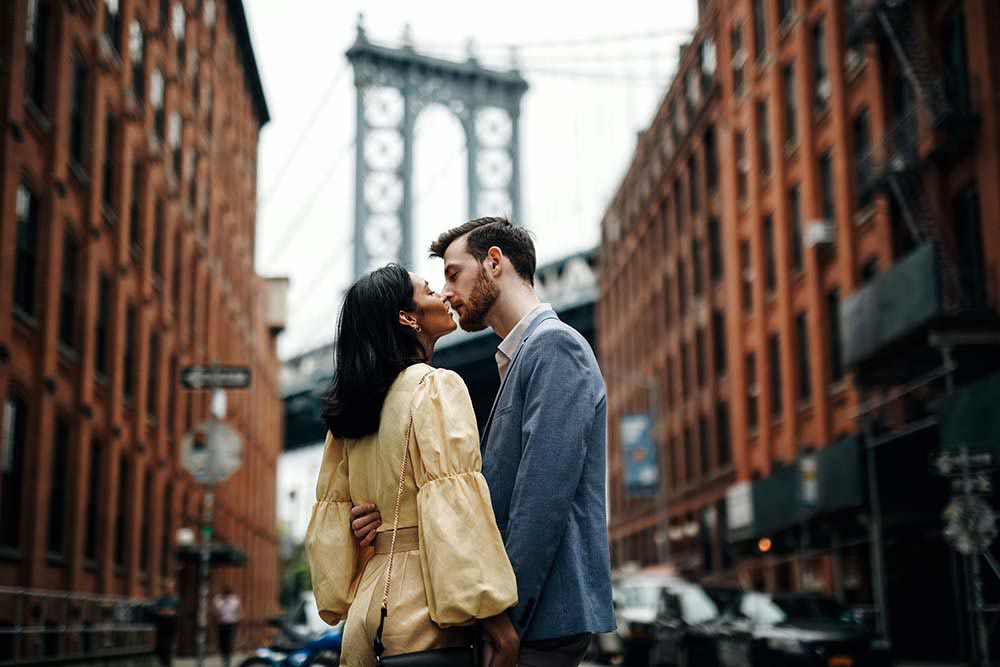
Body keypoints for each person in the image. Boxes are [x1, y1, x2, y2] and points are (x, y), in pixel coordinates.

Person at [352, 218, 616, 666]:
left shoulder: (554, 348)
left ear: (494, 263)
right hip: (519, 620)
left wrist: (505, 621)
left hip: (538, 620)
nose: (447, 293)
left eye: (454, 274)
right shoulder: (518, 358)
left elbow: (541, 501)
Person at [304, 263, 520, 667]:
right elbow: (455, 509)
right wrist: (498, 624)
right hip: (423, 622)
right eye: (427, 290)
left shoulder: (350, 416)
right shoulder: (435, 388)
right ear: (407, 317)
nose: (442, 294)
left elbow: (331, 533)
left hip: (364, 620)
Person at [148, 578, 180, 667]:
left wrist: (171, 612)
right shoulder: (160, 600)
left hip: (171, 627)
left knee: (168, 648)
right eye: (166, 587)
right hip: (161, 627)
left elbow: (179, 612)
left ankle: (167, 664)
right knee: (159, 648)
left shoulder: (175, 600)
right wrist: (162, 612)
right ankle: (163, 663)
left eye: (170, 587)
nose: (168, 589)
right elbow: (153, 610)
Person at [212, 586, 241, 667]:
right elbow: (216, 611)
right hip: (222, 623)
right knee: (222, 642)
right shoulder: (219, 601)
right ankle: (224, 657)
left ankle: (227, 658)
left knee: (228, 641)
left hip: (230, 623)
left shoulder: (234, 601)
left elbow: (237, 611)